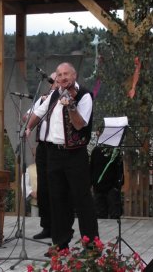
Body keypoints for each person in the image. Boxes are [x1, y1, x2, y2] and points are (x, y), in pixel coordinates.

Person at [25, 62, 98, 252]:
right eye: (59, 75)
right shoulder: (53, 94)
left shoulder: (84, 96)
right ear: (56, 78)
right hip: (53, 153)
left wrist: (71, 107)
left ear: (74, 76)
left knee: (82, 200)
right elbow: (38, 113)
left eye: (66, 74)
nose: (63, 77)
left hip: (75, 153)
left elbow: (80, 124)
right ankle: (60, 244)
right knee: (57, 199)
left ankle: (91, 245)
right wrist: (28, 128)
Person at [23, 72, 58, 240]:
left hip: (58, 146)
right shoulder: (44, 98)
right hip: (43, 146)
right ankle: (47, 226)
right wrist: (38, 108)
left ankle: (61, 225)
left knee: (56, 186)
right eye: (52, 81)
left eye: (56, 80)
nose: (53, 83)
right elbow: (27, 116)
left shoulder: (66, 97)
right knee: (43, 186)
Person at [90, 144, 124, 219]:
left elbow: (120, 169)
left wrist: (117, 185)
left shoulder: (115, 151)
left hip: (112, 188)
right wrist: (92, 182)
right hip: (98, 187)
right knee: (99, 214)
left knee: (114, 214)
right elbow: (92, 167)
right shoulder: (96, 150)